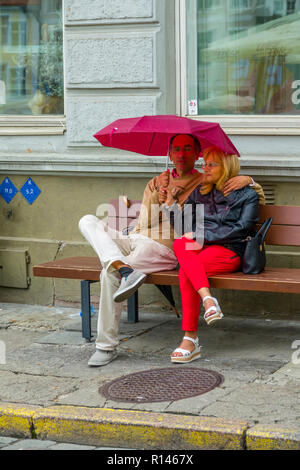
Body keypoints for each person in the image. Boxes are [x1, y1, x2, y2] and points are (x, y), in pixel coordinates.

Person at [79, 134, 262, 367]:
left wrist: (250, 179)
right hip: (138, 238)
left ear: (196, 153)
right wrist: (160, 198)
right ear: (169, 154)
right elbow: (144, 223)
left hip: (167, 247)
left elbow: (235, 207)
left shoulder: (202, 183)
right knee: (88, 221)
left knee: (111, 274)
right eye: (176, 149)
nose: (181, 155)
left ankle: (107, 346)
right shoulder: (163, 183)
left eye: (188, 149)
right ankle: (121, 265)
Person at [160, 146, 261, 364]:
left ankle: (190, 339)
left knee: (186, 269)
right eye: (204, 163)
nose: (205, 168)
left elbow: (242, 229)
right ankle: (208, 300)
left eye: (211, 164)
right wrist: (169, 205)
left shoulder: (247, 195)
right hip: (200, 250)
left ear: (226, 167)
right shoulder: (200, 192)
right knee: (181, 243)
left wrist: (202, 237)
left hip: (231, 251)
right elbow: (184, 228)